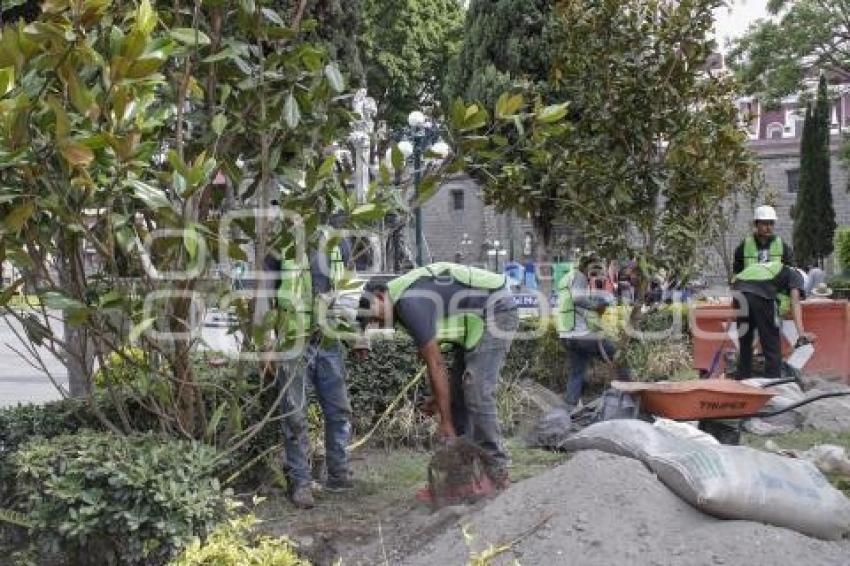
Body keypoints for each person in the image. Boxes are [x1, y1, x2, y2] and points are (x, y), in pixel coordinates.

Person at [357, 262, 518, 493]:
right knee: (456, 398)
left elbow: (436, 363)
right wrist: (439, 398)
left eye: (375, 318)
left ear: (381, 297)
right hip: (475, 323)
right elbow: (433, 361)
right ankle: (462, 480)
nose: (377, 325)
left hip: (496, 309)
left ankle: (498, 471)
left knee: (476, 390)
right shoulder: (402, 304)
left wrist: (446, 422)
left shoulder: (408, 301)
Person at [266, 238, 355, 509]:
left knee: (338, 410)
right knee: (294, 415)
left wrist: (357, 335)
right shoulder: (278, 245)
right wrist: (267, 343)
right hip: (292, 342)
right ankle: (301, 483)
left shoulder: (340, 243)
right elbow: (264, 294)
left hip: (329, 341)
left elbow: (349, 291)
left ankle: (339, 474)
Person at [557, 253, 630, 410]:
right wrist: (595, 305)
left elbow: (573, 305)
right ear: (586, 266)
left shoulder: (567, 278)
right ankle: (630, 397)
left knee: (577, 372)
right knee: (619, 356)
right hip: (581, 335)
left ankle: (568, 410)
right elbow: (578, 299)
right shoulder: (579, 276)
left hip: (567, 335)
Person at [732, 261, 816, 380]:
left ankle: (742, 383)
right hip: (760, 291)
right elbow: (795, 302)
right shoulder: (796, 275)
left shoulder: (773, 269)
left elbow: (760, 322)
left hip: (738, 289)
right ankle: (773, 383)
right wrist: (801, 334)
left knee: (746, 345)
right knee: (772, 346)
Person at [732, 205, 793, 275]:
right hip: (752, 284)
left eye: (771, 223)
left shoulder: (781, 245)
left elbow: (790, 269)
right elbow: (737, 272)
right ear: (756, 224)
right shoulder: (745, 245)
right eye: (765, 224)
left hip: (774, 285)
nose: (769, 227)